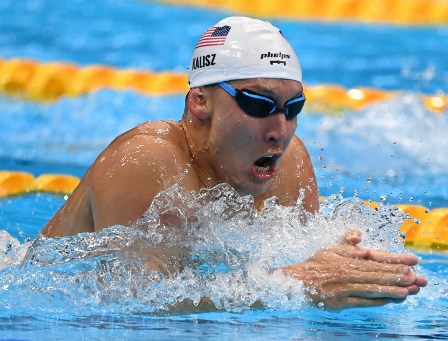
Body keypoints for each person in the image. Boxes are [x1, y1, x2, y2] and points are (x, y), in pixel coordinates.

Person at [39, 16, 427, 310]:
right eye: (258, 105)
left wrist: (345, 267)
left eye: (293, 109)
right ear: (200, 102)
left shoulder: (290, 163)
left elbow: (310, 275)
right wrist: (293, 284)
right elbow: (135, 306)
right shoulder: (147, 161)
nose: (280, 131)